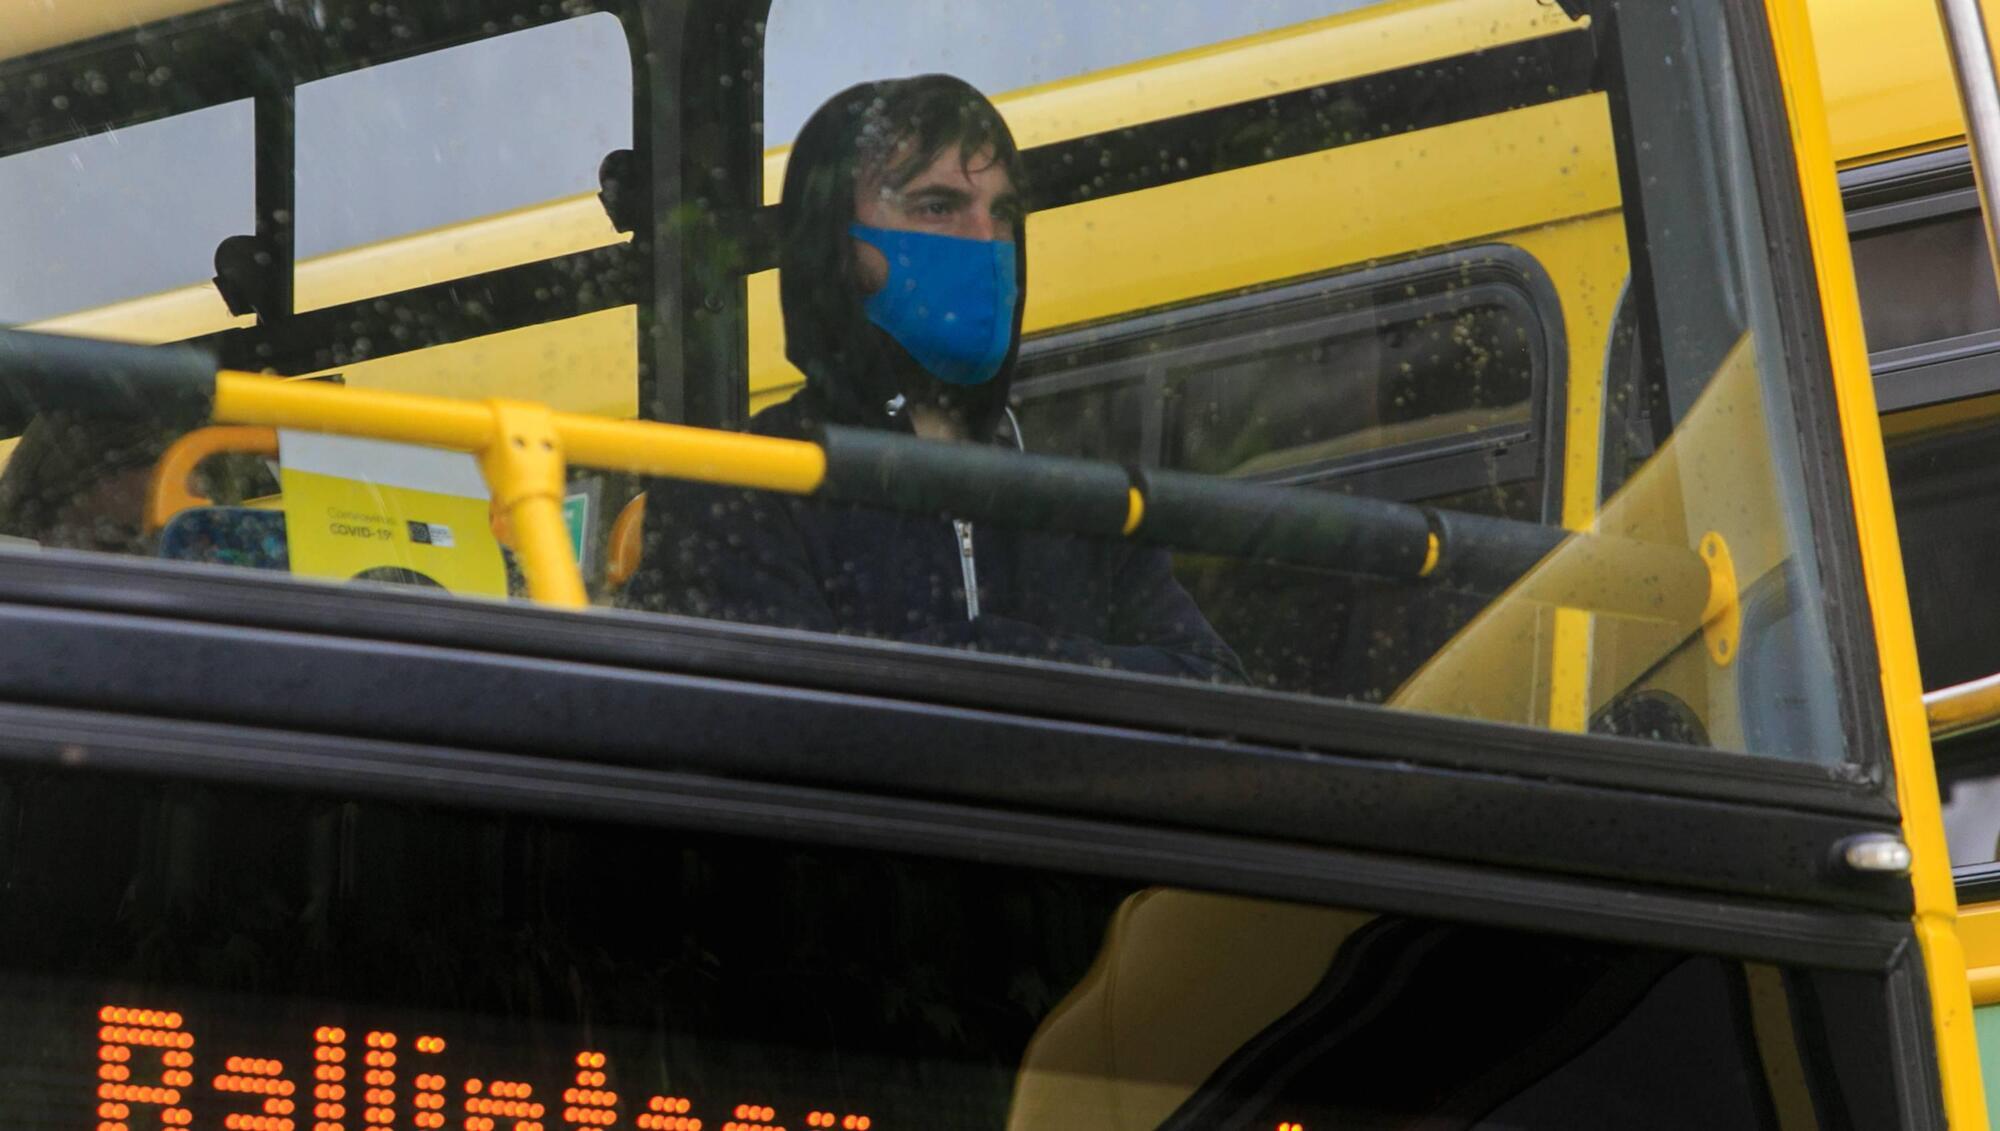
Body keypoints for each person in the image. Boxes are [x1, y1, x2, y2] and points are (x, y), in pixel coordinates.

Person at [624, 74, 1243, 682]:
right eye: (938, 207)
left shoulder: (1078, 500)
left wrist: (995, 658)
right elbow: (787, 720)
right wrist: (1018, 669)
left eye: (1004, 214)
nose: (987, 242)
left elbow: (1211, 691)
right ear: (835, 247)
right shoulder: (740, 491)